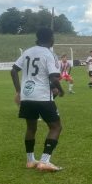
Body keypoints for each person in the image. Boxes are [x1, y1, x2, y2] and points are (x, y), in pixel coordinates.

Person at [10, 27, 65, 172]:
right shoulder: (49, 54)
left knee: (31, 127)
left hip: (27, 96)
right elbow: (53, 77)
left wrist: (18, 91)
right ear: (50, 38)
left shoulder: (27, 51)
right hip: (42, 97)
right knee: (56, 127)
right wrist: (60, 89)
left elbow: (13, 70)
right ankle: (45, 161)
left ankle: (30, 160)